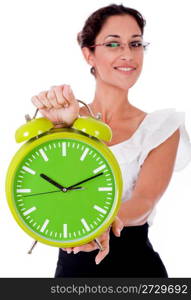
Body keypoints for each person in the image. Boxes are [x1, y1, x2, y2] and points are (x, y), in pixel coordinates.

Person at [31, 4, 191, 277]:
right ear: (89, 54)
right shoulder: (63, 122)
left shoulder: (160, 128)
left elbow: (144, 202)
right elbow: (45, 192)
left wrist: (104, 224)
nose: (128, 54)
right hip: (72, 269)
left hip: (137, 268)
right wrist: (63, 128)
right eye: (113, 44)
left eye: (136, 43)